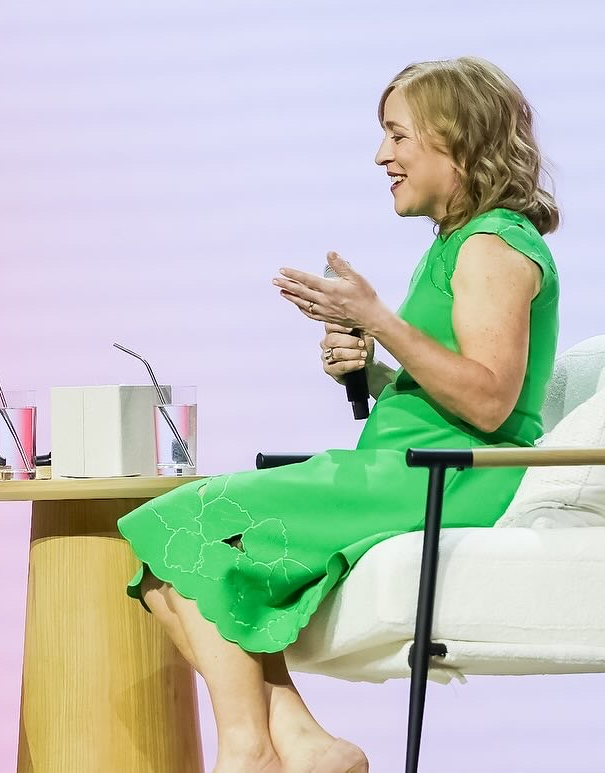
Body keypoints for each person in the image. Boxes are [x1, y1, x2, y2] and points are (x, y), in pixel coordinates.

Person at [118, 56, 560, 773]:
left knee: (181, 523)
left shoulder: (492, 244)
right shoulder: (458, 242)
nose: (382, 155)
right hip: (408, 464)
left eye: (398, 135)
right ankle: (304, 745)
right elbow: (449, 386)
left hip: (449, 478)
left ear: (457, 141)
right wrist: (375, 368)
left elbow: (488, 402)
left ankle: (250, 750)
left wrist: (379, 320)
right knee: (162, 567)